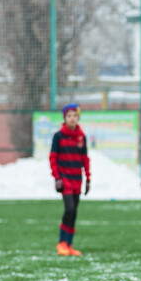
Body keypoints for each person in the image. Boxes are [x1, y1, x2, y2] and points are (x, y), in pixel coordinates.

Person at [50, 103, 90, 256]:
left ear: (78, 117)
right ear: (64, 118)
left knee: (74, 213)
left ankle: (70, 244)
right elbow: (53, 158)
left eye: (75, 115)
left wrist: (88, 178)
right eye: (69, 116)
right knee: (69, 209)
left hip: (77, 179)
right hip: (65, 179)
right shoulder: (58, 136)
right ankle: (62, 242)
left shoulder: (81, 137)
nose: (72, 118)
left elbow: (85, 159)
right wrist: (57, 177)